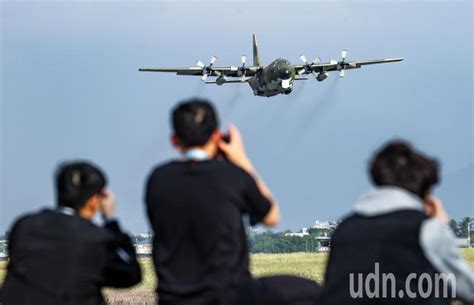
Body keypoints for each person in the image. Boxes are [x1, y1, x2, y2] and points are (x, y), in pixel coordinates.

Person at [145, 98, 321, 305]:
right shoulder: (233, 177)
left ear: (174, 140)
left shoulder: (157, 179)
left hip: (173, 298)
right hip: (229, 296)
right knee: (311, 291)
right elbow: (272, 217)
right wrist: (242, 160)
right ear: (217, 136)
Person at [320, 140, 474, 305]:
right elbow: (468, 289)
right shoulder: (426, 228)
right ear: (426, 192)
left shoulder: (344, 230)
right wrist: (440, 226)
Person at [0, 161, 142, 305]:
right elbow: (131, 275)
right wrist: (110, 220)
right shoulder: (95, 238)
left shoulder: (24, 226)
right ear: (94, 201)